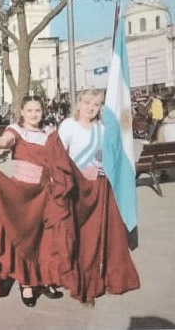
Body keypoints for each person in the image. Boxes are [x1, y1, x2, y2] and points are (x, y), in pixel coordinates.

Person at [0, 95, 76, 307]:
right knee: (25, 238)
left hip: (46, 192)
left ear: (43, 111)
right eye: (29, 110)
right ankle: (27, 283)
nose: (34, 114)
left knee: (44, 237)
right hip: (23, 193)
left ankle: (45, 277)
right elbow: (5, 141)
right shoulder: (15, 130)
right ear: (22, 112)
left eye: (37, 110)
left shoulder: (49, 132)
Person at [58, 89, 140, 304]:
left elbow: (110, 155)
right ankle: (81, 281)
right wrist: (75, 175)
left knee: (97, 237)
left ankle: (96, 280)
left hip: (100, 188)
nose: (90, 107)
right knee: (79, 236)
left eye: (96, 104)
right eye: (86, 102)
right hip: (77, 189)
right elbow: (58, 157)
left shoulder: (102, 128)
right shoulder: (68, 126)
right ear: (78, 103)